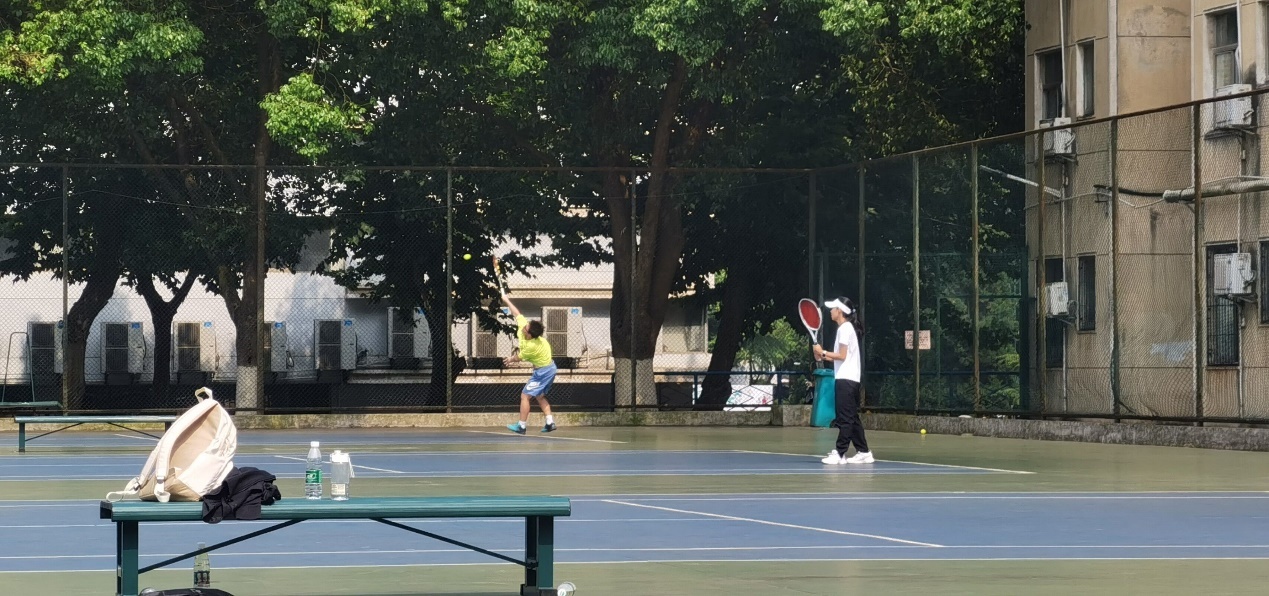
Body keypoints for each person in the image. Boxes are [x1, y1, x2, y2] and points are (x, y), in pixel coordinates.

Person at [814, 297, 872, 464]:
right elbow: (839, 357)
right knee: (851, 417)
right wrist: (821, 355)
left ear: (839, 311)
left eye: (833, 308)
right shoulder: (846, 328)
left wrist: (823, 352)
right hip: (849, 379)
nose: (831, 311)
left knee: (844, 418)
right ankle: (864, 452)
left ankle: (840, 453)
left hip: (846, 380)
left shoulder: (845, 328)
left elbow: (842, 355)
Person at [500, 292, 558, 434]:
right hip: (550, 368)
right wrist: (506, 300)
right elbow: (517, 313)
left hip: (543, 372)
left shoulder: (532, 347)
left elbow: (518, 358)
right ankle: (550, 422)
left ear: (530, 335)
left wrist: (510, 359)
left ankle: (521, 426)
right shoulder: (525, 328)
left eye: (526, 328)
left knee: (525, 396)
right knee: (539, 396)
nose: (524, 326)